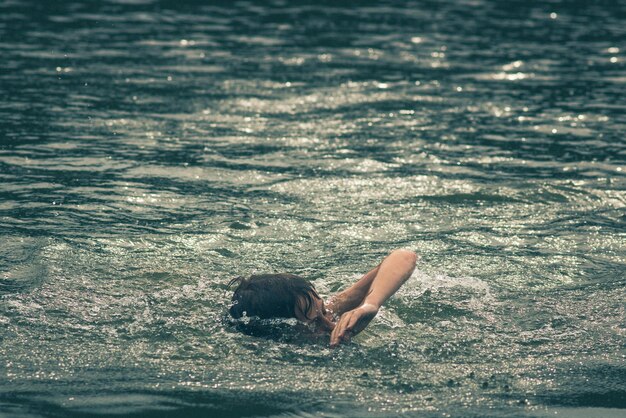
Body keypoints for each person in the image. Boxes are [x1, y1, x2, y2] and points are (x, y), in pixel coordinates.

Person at [228, 249, 417, 347]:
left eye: (324, 311)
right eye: (313, 323)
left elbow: (404, 257)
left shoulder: (326, 312)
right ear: (280, 331)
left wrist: (369, 304)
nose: (331, 325)